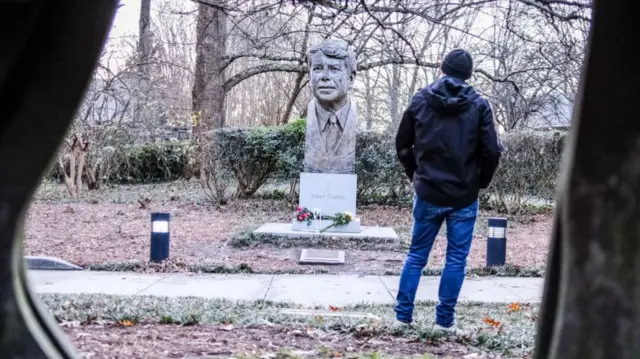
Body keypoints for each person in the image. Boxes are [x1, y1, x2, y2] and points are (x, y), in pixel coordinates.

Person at [394, 48, 502, 329]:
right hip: (463, 197)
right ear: (468, 75)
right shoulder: (479, 105)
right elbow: (492, 151)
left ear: (442, 69)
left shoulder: (420, 99)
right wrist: (481, 182)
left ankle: (403, 317)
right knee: (456, 259)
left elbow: (402, 144)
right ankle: (444, 322)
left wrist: (414, 176)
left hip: (428, 191)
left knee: (416, 255)